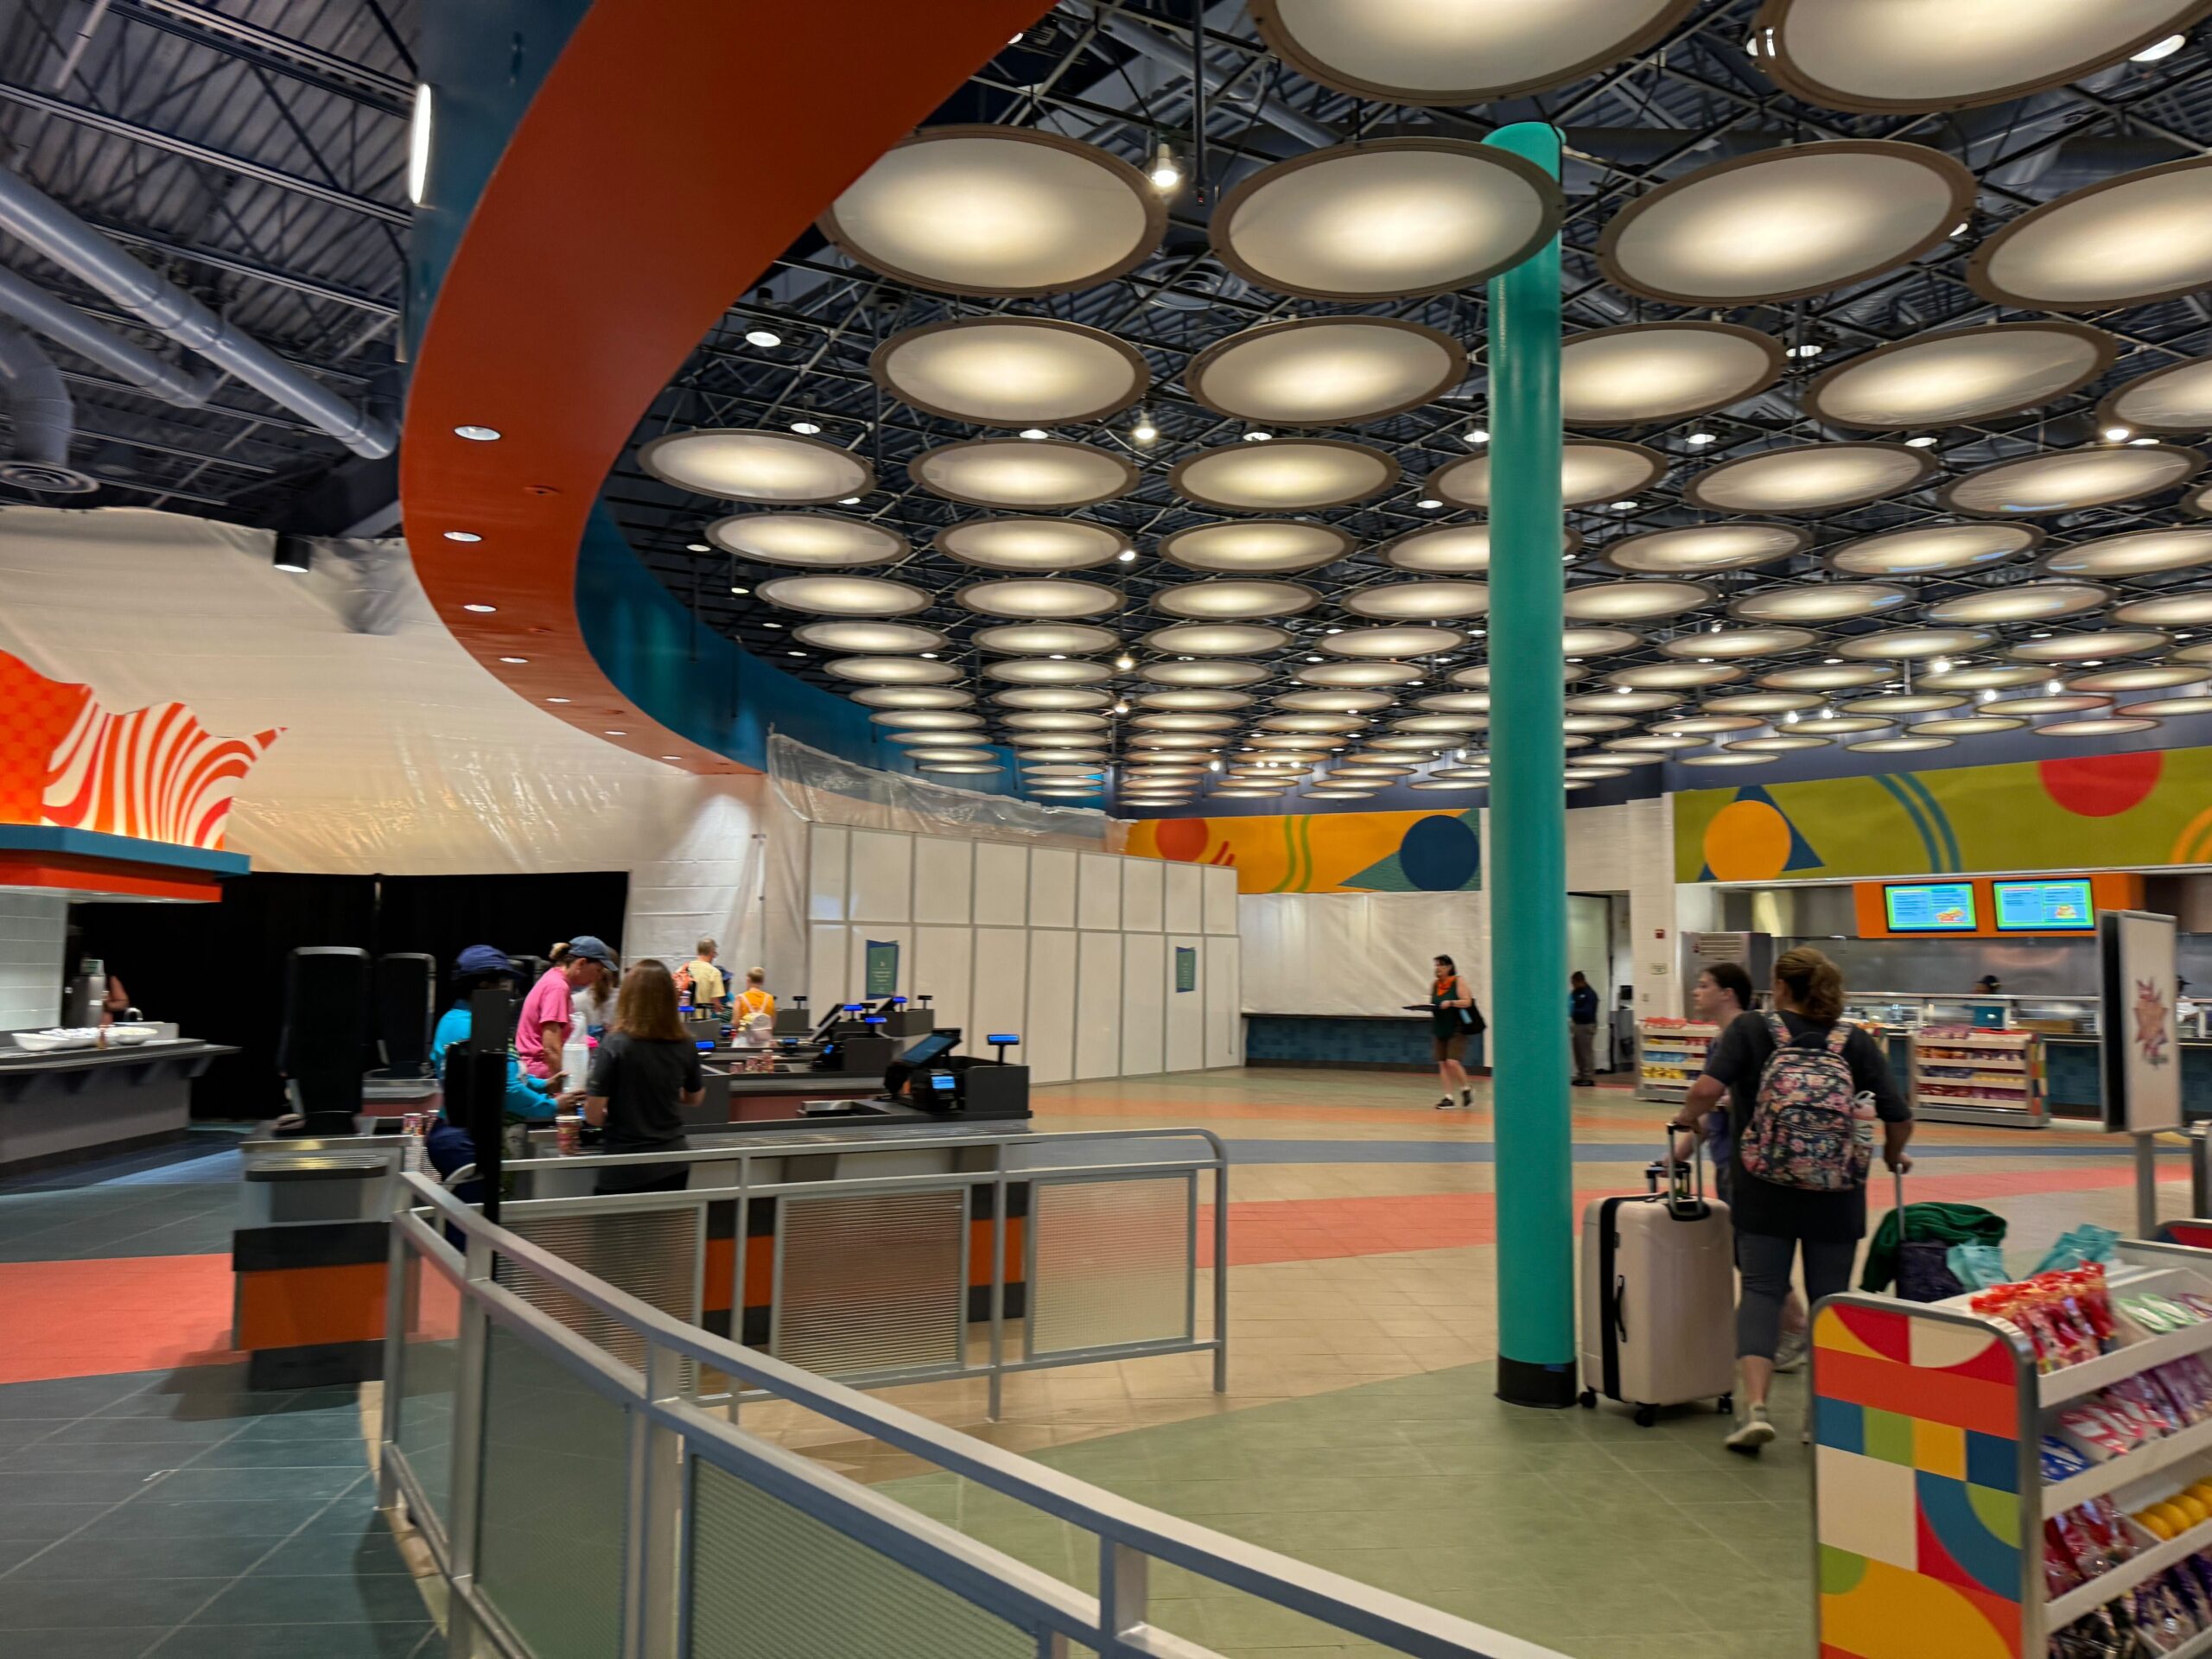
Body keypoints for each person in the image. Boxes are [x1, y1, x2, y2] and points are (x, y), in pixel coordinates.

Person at [1671, 946, 1912, 1455]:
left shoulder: (1750, 1030)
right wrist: (1894, 1154)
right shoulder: (1855, 1040)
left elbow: (1707, 1088)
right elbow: (1898, 1113)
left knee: (1761, 1291)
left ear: (1781, 987)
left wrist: (1688, 1119)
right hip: (1837, 1193)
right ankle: (1819, 1416)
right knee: (1830, 1298)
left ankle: (1756, 1409)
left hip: (1763, 1188)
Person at [584, 959, 705, 1196]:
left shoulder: (615, 1043)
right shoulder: (685, 1043)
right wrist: (662, 1090)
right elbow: (695, 1098)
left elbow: (593, 1115)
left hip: (625, 1165)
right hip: (674, 1162)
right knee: (664, 1221)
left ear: (628, 997)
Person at [431, 944, 572, 1124]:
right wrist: (553, 1105)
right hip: (481, 1130)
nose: (508, 993)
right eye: (503, 983)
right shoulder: (483, 1027)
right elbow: (507, 1089)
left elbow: (497, 1075)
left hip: (452, 1124)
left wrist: (543, 1085)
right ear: (484, 984)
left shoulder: (448, 1021)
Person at [518, 937, 614, 1080]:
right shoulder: (557, 987)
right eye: (598, 970)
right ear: (581, 963)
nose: (599, 977)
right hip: (542, 1073)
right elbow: (551, 1048)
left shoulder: (554, 979)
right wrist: (564, 1085)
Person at [1429, 955, 1483, 1111]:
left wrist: (1451, 1002)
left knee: (1452, 1061)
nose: (1438, 969)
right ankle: (1448, 1097)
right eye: (1436, 966)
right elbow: (1434, 1002)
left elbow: (1467, 1001)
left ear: (1449, 967)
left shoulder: (1458, 981)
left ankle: (1466, 1088)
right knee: (1443, 1063)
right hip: (1440, 1026)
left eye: (1441, 965)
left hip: (1457, 1027)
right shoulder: (1435, 984)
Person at [1569, 970, 1600, 1086]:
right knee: (1578, 1052)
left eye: (1574, 983)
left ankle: (1588, 1077)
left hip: (1586, 1025)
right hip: (1577, 1025)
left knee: (1585, 1052)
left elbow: (1588, 1011)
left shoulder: (1590, 994)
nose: (1573, 986)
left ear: (1580, 981)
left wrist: (1573, 1011)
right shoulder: (1575, 993)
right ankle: (1581, 1075)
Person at [682, 939, 728, 1016]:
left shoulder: (683, 968)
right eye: (715, 953)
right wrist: (721, 1009)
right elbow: (715, 1004)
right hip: (701, 1018)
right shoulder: (714, 972)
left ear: (698, 951)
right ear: (712, 952)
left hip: (681, 1017)